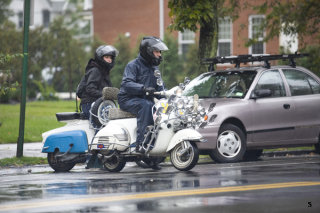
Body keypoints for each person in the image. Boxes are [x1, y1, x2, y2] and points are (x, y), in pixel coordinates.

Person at [118, 36, 169, 153]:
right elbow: (126, 83)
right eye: (157, 51)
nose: (159, 54)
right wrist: (143, 88)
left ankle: (157, 144)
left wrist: (168, 95)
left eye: (160, 52)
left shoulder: (154, 68)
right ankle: (141, 144)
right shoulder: (133, 65)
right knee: (147, 105)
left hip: (144, 98)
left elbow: (160, 86)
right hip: (128, 99)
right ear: (148, 51)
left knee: (162, 107)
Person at [79, 45, 119, 119]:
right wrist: (105, 95)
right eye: (106, 57)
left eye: (110, 57)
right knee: (100, 128)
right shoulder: (95, 70)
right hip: (89, 104)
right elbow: (90, 89)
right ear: (100, 58)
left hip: (98, 103)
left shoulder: (104, 71)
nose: (109, 60)